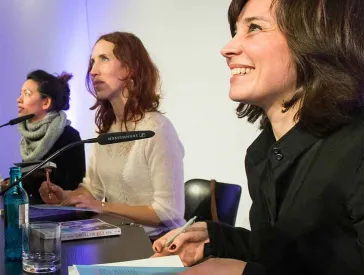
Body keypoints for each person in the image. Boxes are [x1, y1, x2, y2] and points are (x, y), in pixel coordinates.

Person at [152, 0, 364, 274]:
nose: (227, 49)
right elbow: (283, 256)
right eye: (235, 31)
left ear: (317, 36)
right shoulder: (262, 152)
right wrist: (215, 238)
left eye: (254, 27)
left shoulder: (356, 150)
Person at [39, 32, 185, 237]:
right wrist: (65, 196)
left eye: (104, 59)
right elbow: (93, 190)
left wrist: (102, 206)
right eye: (92, 62)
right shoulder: (106, 130)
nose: (93, 71)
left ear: (129, 68)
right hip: (119, 237)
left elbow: (169, 212)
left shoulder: (157, 129)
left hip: (157, 242)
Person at [16, 69, 86, 204]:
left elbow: (75, 187)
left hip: (61, 217)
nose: (19, 99)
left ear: (46, 102)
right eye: (21, 93)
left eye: (27, 94)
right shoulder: (28, 136)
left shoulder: (69, 136)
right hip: (33, 212)